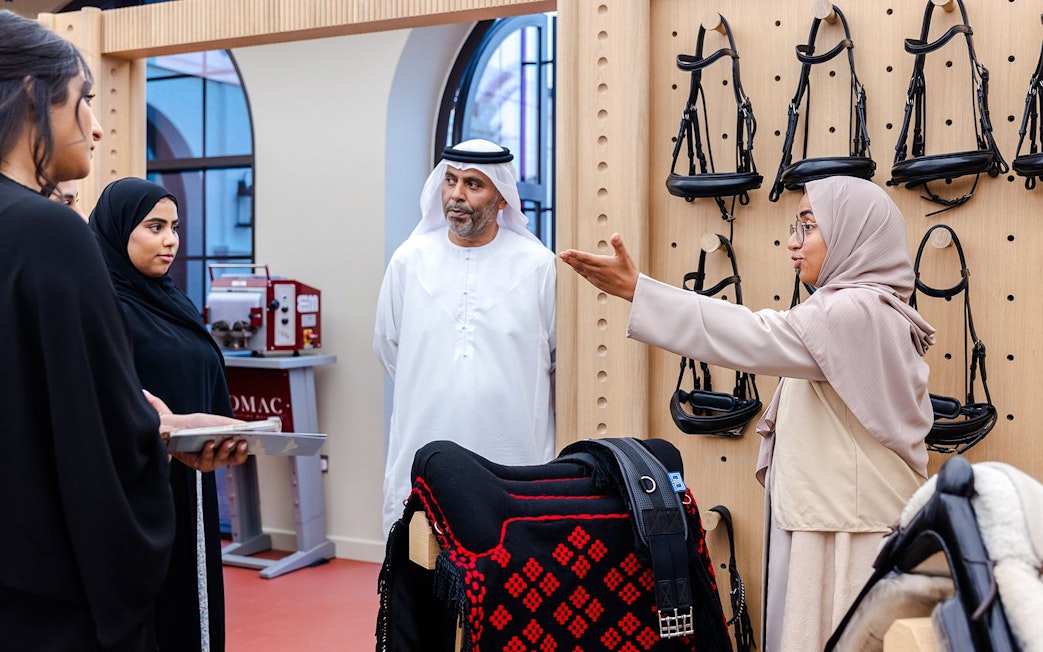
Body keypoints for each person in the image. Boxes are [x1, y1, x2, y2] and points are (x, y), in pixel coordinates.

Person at [559, 176, 935, 652]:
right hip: (838, 520)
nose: (792, 244)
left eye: (809, 227)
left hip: (846, 535)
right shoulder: (869, 308)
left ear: (853, 234)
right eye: (795, 227)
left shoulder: (854, 311)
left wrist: (640, 292)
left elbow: (752, 336)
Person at [0, 10, 243, 650]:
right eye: (83, 100)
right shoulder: (48, 235)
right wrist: (156, 430)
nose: (98, 124)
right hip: (41, 595)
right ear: (31, 97)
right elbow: (84, 432)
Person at [90, 177, 247, 652]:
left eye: (174, 228)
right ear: (120, 232)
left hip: (191, 484)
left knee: (192, 602)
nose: (170, 240)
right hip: (135, 492)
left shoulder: (170, 299)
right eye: (154, 227)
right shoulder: (103, 306)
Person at [374, 138, 557, 537]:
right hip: (424, 445)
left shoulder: (539, 266)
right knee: (421, 579)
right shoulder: (409, 261)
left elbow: (559, 362)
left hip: (514, 458)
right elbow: (389, 349)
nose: (456, 195)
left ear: (502, 198)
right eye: (451, 181)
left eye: (473, 184)